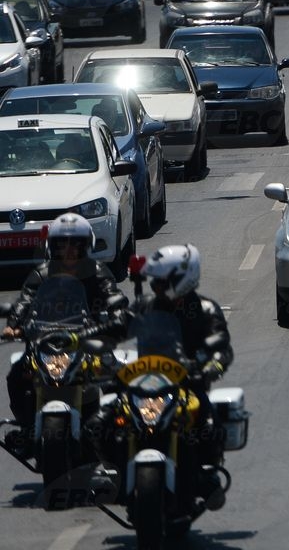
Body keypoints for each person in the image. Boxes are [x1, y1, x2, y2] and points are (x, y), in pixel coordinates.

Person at [89, 244, 233, 510]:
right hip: (142, 380)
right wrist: (85, 338)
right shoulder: (145, 305)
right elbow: (117, 327)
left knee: (210, 427)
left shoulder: (206, 310)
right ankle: (114, 472)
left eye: (161, 281)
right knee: (100, 421)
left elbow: (221, 347)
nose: (155, 286)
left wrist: (211, 366)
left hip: (186, 384)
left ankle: (205, 475)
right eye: (153, 281)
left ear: (181, 279)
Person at [2, 213, 128, 454]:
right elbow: (25, 301)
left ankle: (119, 431)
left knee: (119, 376)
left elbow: (114, 297)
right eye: (63, 244)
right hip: (45, 343)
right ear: (53, 246)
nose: (69, 249)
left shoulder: (97, 272)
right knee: (17, 376)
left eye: (75, 244)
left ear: (85, 246)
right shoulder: (42, 273)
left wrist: (117, 313)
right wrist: (14, 324)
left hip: (87, 342)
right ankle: (29, 429)